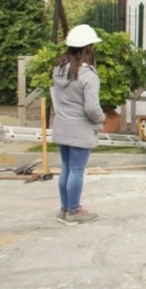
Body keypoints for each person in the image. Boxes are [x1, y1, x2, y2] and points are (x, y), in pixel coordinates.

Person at [52, 24, 106, 225]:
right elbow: (92, 108)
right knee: (77, 170)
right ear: (87, 48)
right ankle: (74, 211)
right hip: (80, 129)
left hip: (62, 124)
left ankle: (65, 208)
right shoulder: (88, 75)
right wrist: (101, 119)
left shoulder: (58, 70)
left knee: (66, 167)